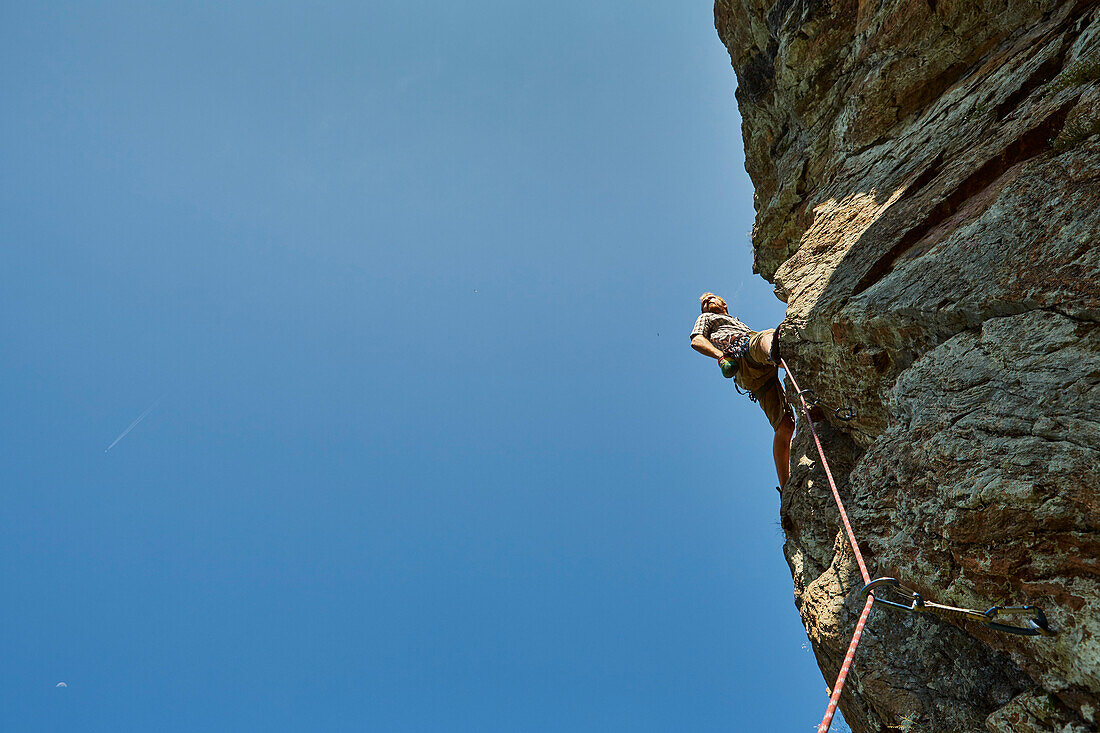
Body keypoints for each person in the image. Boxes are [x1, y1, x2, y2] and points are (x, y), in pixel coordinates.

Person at [690, 292, 795, 488]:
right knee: (764, 337)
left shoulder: (735, 320)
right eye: (704, 303)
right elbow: (696, 340)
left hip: (757, 376)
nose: (706, 302)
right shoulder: (707, 318)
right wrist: (720, 357)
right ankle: (777, 351)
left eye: (710, 298)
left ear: (724, 303)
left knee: (785, 425)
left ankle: (786, 489)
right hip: (741, 355)